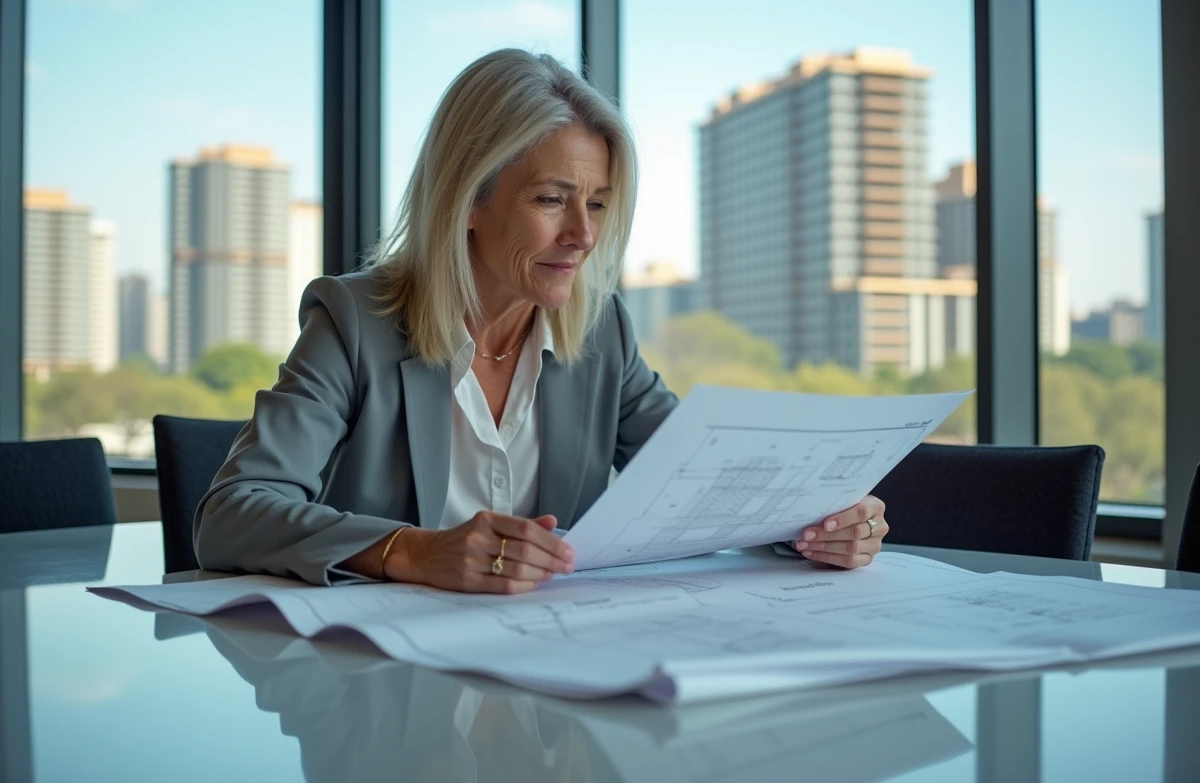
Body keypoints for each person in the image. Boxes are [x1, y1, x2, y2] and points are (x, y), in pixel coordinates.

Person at [193, 48, 888, 591]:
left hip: (546, 689)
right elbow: (231, 515)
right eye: (553, 200)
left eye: (599, 205)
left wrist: (818, 521)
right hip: (379, 691)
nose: (584, 236)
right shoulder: (354, 322)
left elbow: (703, 479)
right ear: (468, 199)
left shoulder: (600, 332)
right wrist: (411, 551)